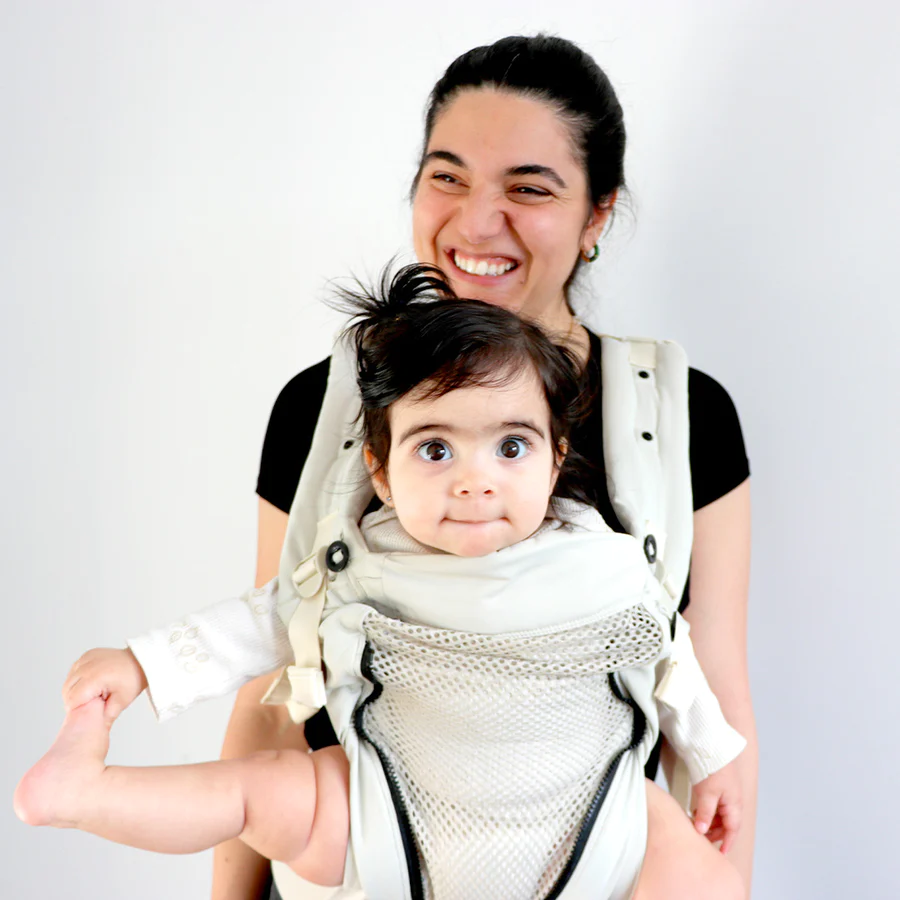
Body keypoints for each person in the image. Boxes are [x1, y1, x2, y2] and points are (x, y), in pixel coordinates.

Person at [15, 266, 746, 900]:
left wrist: (712, 758)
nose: (475, 481)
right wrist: (141, 665)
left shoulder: (605, 561)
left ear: (555, 460)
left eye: (510, 446)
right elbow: (259, 623)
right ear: (382, 473)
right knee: (258, 791)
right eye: (435, 450)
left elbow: (671, 657)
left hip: (591, 829)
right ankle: (86, 793)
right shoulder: (360, 563)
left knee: (703, 873)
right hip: (388, 822)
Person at [236, 34, 756, 900]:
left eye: (529, 188)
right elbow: (269, 689)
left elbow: (719, 701)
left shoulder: (685, 416)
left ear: (597, 216)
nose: (477, 224)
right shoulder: (319, 407)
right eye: (447, 176)